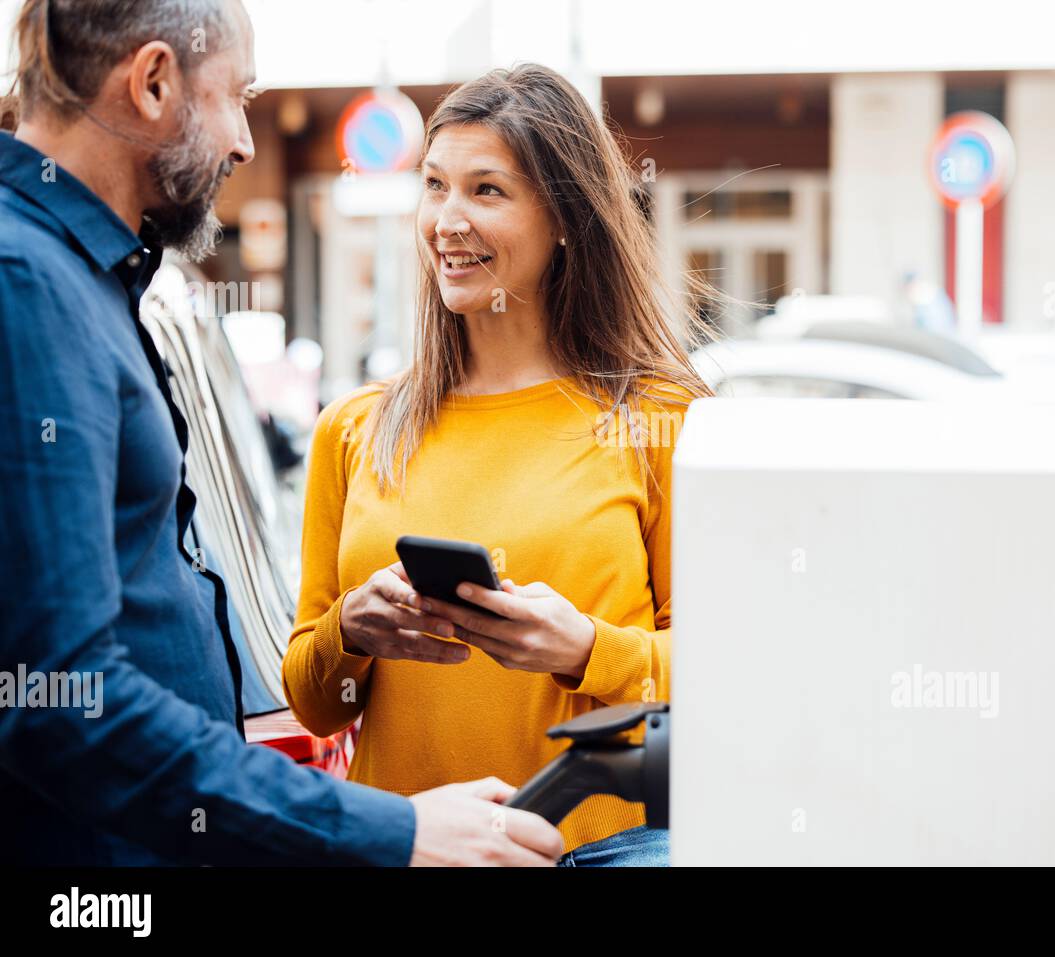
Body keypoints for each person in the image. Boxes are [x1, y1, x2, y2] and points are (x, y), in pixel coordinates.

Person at [0, 0, 562, 867]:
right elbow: (61, 698)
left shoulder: (85, 280)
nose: (245, 143)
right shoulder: (28, 287)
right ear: (153, 81)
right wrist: (393, 829)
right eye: (238, 96)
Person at [282, 64, 714, 867]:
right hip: (412, 849)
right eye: (435, 185)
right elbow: (315, 704)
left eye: (487, 190)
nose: (449, 219)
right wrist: (350, 630)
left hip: (608, 850)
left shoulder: (658, 420)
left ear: (564, 220)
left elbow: (727, 667)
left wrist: (587, 647)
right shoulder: (356, 430)